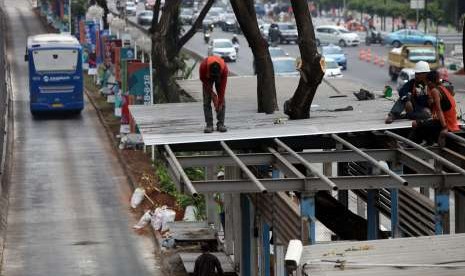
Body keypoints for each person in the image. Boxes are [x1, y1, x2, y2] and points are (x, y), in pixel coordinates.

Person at [409, 70, 459, 146]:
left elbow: (439, 110)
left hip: (447, 123)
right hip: (451, 121)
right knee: (421, 123)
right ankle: (428, 141)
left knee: (416, 124)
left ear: (429, 82)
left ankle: (416, 144)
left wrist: (445, 128)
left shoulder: (435, 91)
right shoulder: (442, 87)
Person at [199, 56, 229, 133]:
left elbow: (222, 90)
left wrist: (219, 102)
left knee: (222, 101)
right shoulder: (203, 66)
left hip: (220, 78)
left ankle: (221, 124)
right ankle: (209, 125)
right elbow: (203, 79)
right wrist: (212, 95)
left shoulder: (224, 70)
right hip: (206, 79)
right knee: (206, 101)